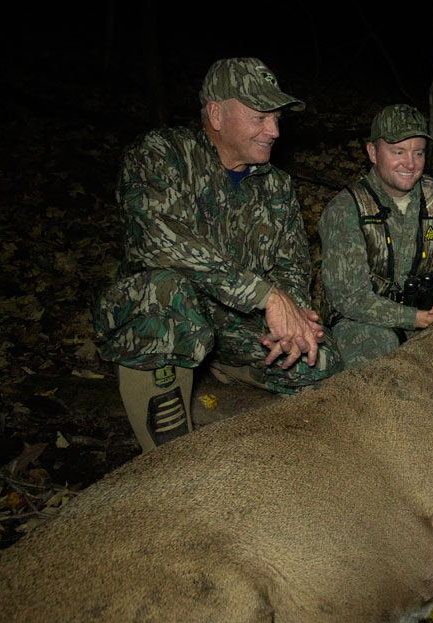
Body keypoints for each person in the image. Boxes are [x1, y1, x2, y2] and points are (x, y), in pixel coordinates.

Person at [93, 57, 340, 453]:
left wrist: (294, 318)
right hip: (172, 311)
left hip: (237, 323)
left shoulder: (276, 185)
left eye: (277, 118)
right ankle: (169, 462)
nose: (274, 131)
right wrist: (267, 296)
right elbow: (160, 238)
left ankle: (222, 373)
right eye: (260, 117)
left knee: (322, 360)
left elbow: (290, 265)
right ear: (216, 114)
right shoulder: (161, 154)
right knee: (164, 292)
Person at [318, 104, 433, 369]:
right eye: (398, 152)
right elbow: (349, 299)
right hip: (366, 319)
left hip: (429, 306)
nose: (410, 164)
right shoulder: (345, 209)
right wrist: (418, 320)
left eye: (419, 153)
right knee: (380, 366)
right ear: (373, 152)